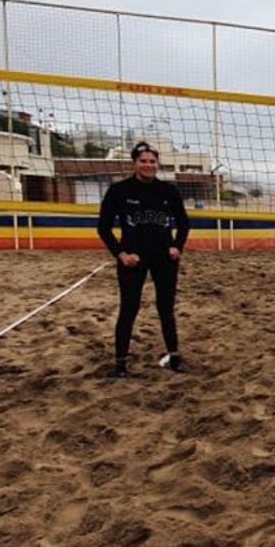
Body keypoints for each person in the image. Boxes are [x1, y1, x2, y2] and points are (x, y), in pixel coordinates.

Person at [97, 141, 191, 377]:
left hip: (164, 258)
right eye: (143, 161)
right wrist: (121, 254)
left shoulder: (168, 191)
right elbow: (103, 227)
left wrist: (177, 246)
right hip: (133, 259)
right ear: (134, 163)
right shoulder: (119, 190)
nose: (148, 165)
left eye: (152, 161)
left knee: (166, 309)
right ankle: (120, 364)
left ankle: (174, 358)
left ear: (157, 164)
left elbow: (183, 223)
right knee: (129, 309)